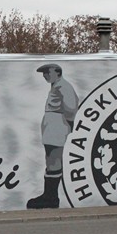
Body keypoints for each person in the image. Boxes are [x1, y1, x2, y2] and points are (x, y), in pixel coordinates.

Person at [27, 63, 78, 209]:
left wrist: (65, 124)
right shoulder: (57, 86)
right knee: (50, 159)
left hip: (56, 125)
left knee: (53, 159)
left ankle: (51, 198)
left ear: (57, 73)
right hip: (52, 126)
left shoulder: (63, 87)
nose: (45, 76)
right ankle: (48, 195)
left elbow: (71, 107)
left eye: (47, 73)